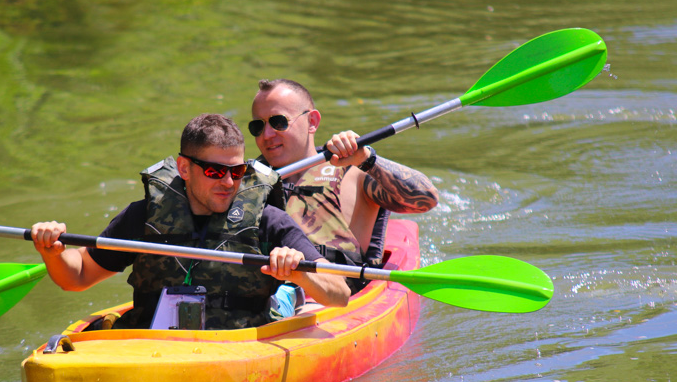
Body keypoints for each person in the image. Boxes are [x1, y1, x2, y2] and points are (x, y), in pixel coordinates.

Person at [31, 113, 350, 330]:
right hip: (159, 343)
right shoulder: (144, 216)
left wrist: (301, 275)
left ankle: (287, 296)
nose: (228, 182)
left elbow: (340, 292)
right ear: (184, 168)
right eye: (214, 171)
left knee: (290, 292)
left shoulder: (268, 220)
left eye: (236, 172)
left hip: (241, 340)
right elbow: (77, 277)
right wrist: (52, 251)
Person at [250, 79, 439, 287]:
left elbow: (427, 200)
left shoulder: (352, 170)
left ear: (312, 121)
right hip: (272, 299)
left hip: (335, 297)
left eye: (279, 122)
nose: (267, 135)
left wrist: (366, 159)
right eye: (258, 126)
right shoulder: (245, 181)